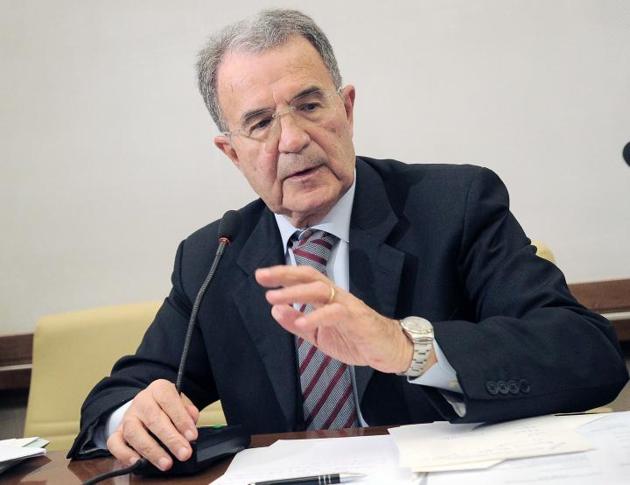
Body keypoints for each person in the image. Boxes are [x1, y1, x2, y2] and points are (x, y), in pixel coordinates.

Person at [69, 9, 628, 473]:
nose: (293, 139)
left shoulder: (453, 205)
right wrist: (132, 417)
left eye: (310, 105)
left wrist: (408, 348)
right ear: (232, 153)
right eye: (260, 123)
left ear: (348, 108)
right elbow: (117, 396)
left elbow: (588, 353)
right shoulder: (214, 255)